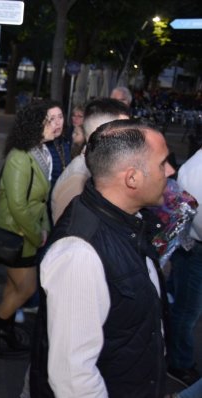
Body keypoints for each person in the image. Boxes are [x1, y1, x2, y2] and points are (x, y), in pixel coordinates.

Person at [30, 119, 174, 397]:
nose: (171, 170)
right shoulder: (79, 254)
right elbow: (74, 380)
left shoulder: (129, 222)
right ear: (132, 178)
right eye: (162, 163)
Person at [0, 100, 55, 356]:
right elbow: (19, 205)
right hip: (18, 235)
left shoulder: (42, 152)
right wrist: (37, 234)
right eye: (50, 120)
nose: (57, 124)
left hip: (29, 233)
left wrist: (43, 228)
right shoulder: (21, 157)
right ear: (35, 123)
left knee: (13, 288)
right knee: (27, 289)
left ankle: (4, 331)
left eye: (59, 118)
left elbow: (40, 201)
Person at [50, 98, 130, 224]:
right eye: (124, 133)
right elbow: (69, 234)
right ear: (103, 135)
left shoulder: (99, 168)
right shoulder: (78, 178)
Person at [166, 145, 202, 387]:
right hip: (194, 249)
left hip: (191, 247)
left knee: (183, 305)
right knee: (187, 311)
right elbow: (198, 217)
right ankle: (179, 363)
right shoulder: (197, 168)